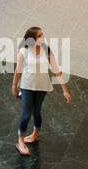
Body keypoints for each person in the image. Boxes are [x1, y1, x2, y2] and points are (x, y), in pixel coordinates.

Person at [12, 26, 72, 156]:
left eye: (42, 35)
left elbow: (57, 70)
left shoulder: (47, 50)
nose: (42, 37)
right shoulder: (24, 51)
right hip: (27, 86)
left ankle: (35, 134)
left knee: (37, 112)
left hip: (42, 86)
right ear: (32, 39)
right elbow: (18, 71)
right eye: (39, 36)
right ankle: (20, 140)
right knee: (26, 114)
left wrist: (65, 90)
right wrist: (14, 86)